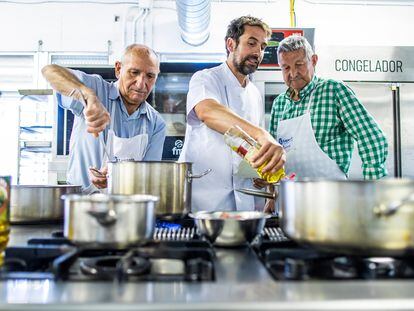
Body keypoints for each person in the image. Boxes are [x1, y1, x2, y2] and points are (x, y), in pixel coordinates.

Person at [178, 16, 286, 212]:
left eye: (262, 47)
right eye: (251, 43)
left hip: (244, 204)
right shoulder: (206, 78)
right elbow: (207, 111)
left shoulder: (254, 94)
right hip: (204, 203)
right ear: (231, 44)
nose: (258, 52)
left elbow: (253, 149)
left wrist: (263, 177)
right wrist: (261, 134)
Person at [42, 44, 166, 193]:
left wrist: (118, 177)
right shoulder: (96, 89)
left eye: (150, 76)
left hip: (127, 209)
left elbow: (148, 178)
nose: (141, 83)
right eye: (134, 72)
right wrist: (88, 96)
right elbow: (50, 71)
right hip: (81, 205)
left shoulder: (156, 123)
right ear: (118, 69)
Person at [270, 35, 388, 180]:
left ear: (313, 61)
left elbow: (371, 137)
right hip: (291, 197)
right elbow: (273, 157)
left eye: (299, 65)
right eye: (286, 67)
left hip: (332, 196)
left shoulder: (333, 90)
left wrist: (373, 188)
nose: (293, 73)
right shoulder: (279, 104)